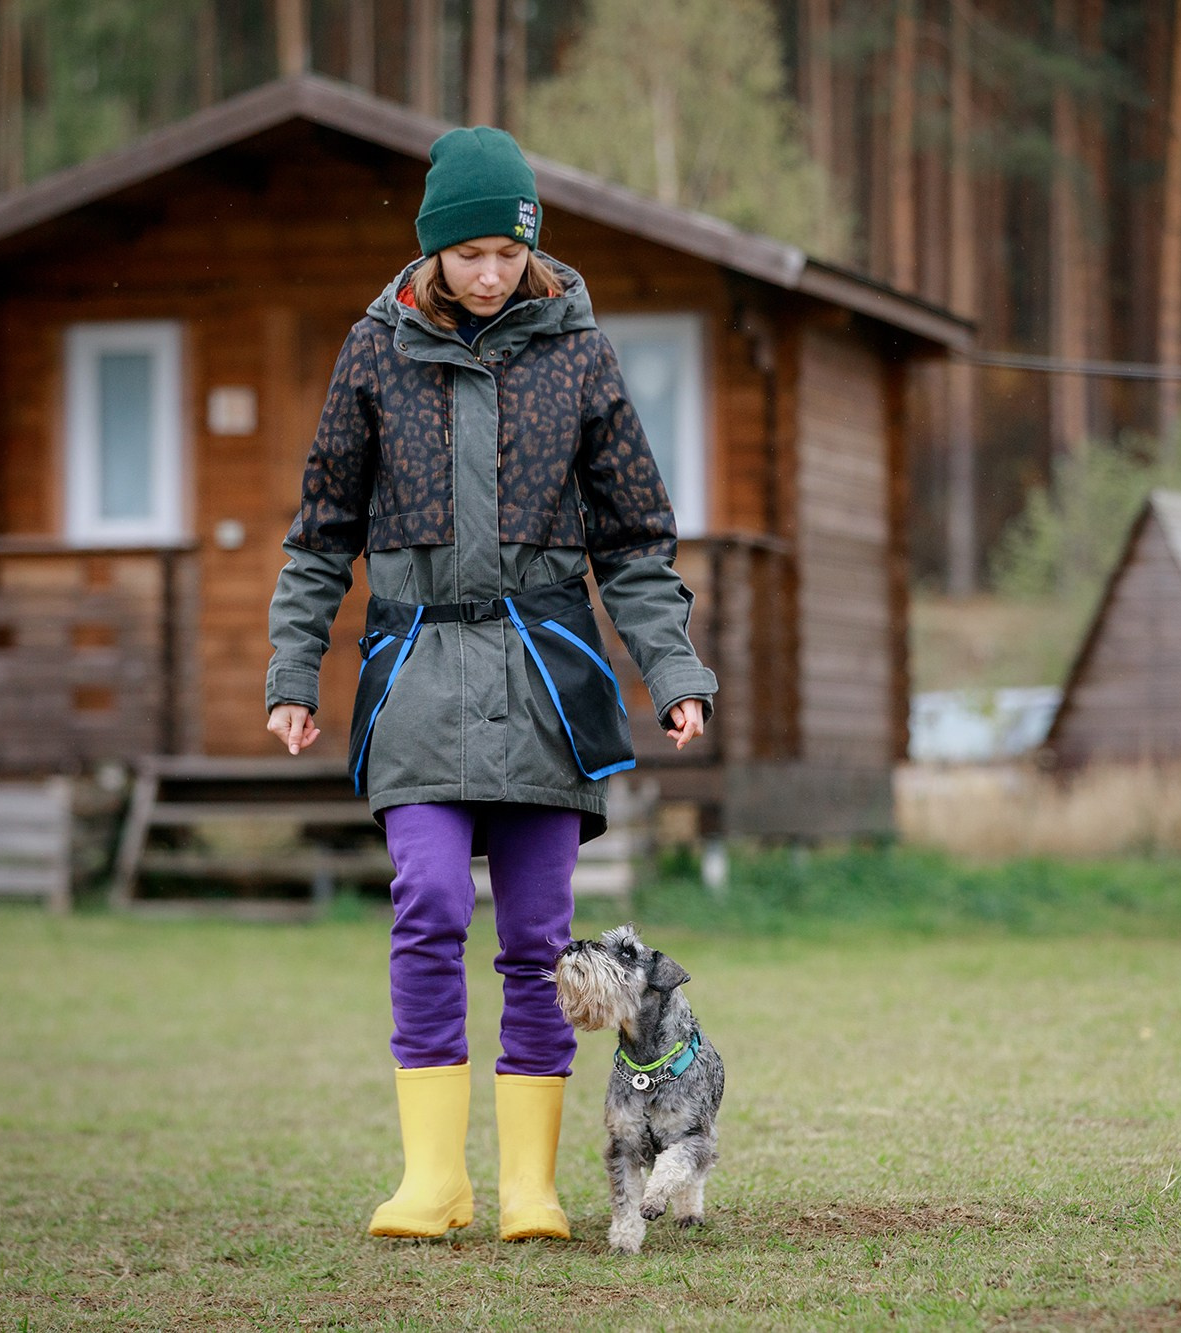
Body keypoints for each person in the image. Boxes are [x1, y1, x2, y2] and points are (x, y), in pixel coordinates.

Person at [263, 125, 716, 1241]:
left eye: (505, 256)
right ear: (431, 252)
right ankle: (433, 1180)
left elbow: (635, 538)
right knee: (422, 901)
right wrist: (292, 669)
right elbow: (321, 531)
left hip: (544, 680)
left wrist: (671, 669)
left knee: (536, 939)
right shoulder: (373, 351)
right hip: (413, 670)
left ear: (528, 251)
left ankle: (527, 1185)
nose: (486, 274)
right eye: (466, 255)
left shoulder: (581, 353)